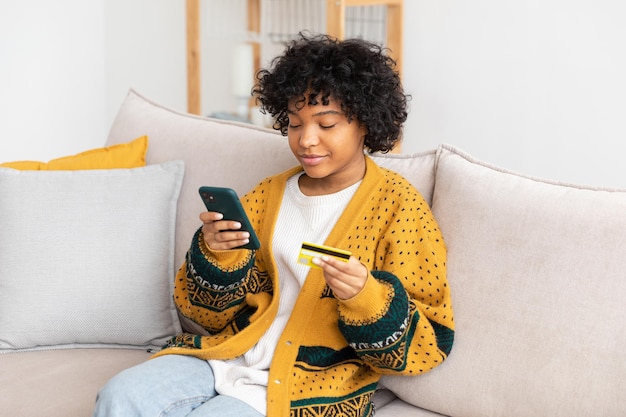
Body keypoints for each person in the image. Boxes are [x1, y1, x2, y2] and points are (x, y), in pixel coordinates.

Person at [93, 32, 454, 417]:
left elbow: (429, 344)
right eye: (295, 124)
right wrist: (217, 255)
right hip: (228, 355)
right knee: (121, 394)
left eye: (326, 124)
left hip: (307, 385)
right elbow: (204, 313)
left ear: (365, 122)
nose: (306, 141)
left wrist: (365, 296)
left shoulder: (400, 207)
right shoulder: (268, 195)